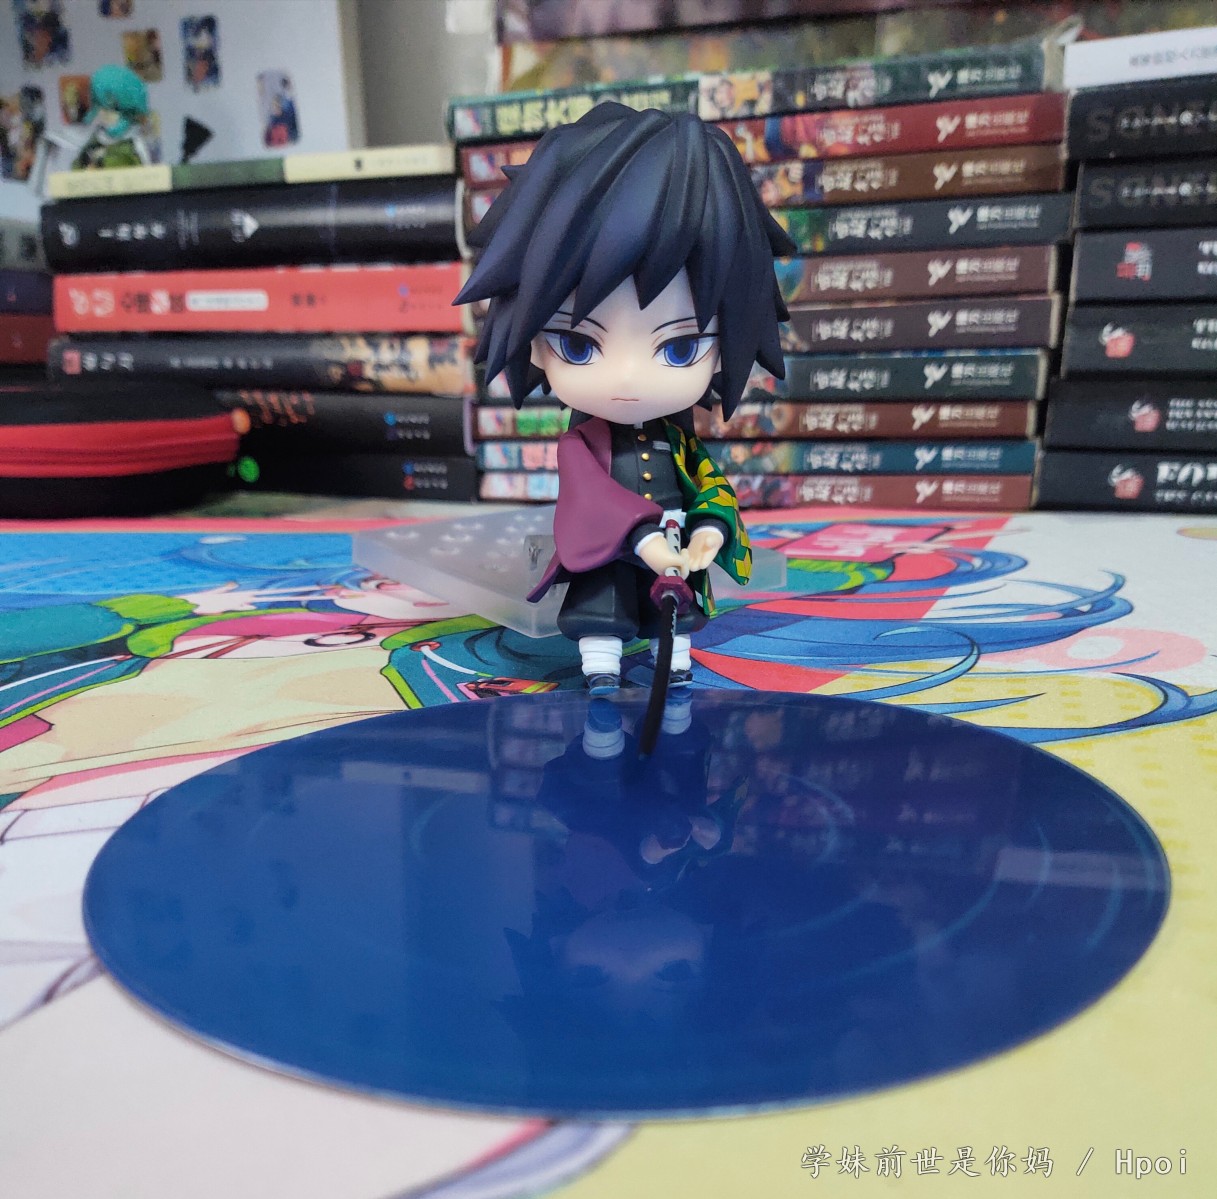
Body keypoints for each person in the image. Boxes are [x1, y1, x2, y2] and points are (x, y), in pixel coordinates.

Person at [455, 102, 792, 692]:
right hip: (606, 552)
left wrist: (710, 529)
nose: (629, 378)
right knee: (603, 604)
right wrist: (643, 539)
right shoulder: (582, 444)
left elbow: (710, 485)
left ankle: (675, 658)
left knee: (675, 609)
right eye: (579, 346)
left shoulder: (680, 443)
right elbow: (588, 501)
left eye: (680, 348)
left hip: (676, 545)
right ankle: (602, 666)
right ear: (534, 345)